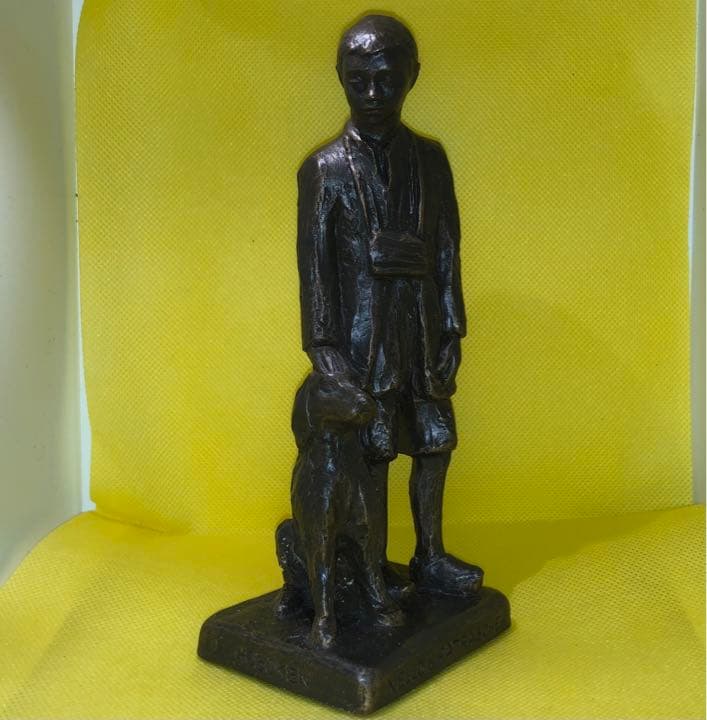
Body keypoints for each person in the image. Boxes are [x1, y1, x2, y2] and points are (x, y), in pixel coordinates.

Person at [296, 14, 482, 596]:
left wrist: (452, 327)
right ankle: (371, 568)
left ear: (413, 77)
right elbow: (315, 271)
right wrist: (325, 351)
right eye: (359, 82)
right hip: (362, 344)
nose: (373, 95)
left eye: (386, 80)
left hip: (422, 330)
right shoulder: (325, 169)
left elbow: (448, 247)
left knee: (434, 440)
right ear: (340, 77)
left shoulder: (431, 159)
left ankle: (430, 555)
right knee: (370, 451)